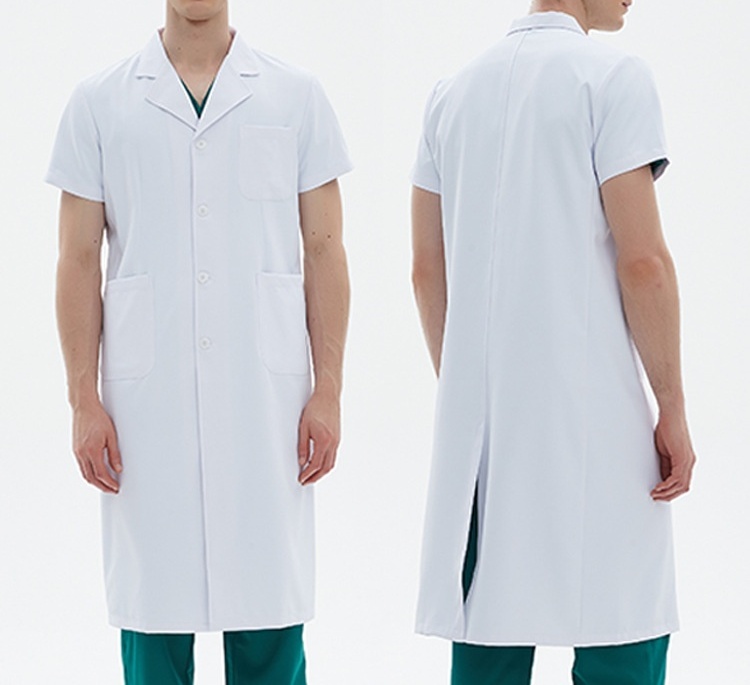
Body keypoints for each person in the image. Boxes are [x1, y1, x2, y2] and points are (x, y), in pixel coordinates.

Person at [47, 1, 352, 682]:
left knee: (269, 621)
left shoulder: (295, 96)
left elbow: (326, 250)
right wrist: (82, 400)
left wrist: (328, 388)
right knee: (153, 621)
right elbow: (77, 259)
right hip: (145, 413)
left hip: (265, 405)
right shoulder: (99, 103)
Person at [410, 1, 696, 683]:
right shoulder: (613, 78)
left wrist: (471, 391)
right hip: (596, 417)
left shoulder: (450, 96)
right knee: (621, 624)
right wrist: (673, 405)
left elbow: (425, 268)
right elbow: (643, 262)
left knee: (489, 626)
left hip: (485, 436)